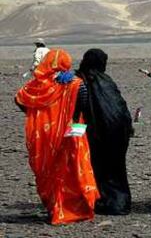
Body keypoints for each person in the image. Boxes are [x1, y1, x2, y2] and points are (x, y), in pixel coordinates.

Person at [15, 49, 100, 225]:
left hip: (44, 136)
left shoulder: (36, 86)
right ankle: (76, 208)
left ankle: (54, 208)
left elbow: (19, 99)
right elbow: (82, 107)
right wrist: (76, 129)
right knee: (72, 169)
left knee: (50, 171)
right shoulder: (76, 83)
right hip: (72, 132)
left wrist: (37, 114)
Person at [76, 48, 133, 215]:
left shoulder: (82, 81)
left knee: (98, 167)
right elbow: (120, 106)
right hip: (118, 132)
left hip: (98, 133)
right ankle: (120, 202)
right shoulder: (107, 81)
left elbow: (80, 106)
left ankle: (103, 201)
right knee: (116, 169)